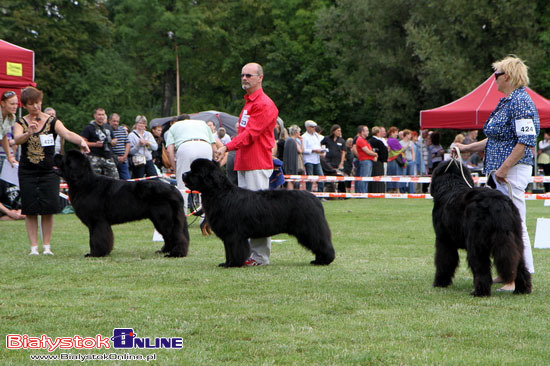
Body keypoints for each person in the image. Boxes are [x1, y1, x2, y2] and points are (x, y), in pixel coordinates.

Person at [454, 55, 539, 291]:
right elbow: (493, 140)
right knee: (501, 225)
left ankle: (517, 276)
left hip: (509, 173)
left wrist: (505, 167)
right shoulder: (507, 102)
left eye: (497, 75)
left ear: (509, 77)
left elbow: (525, 140)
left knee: (511, 225)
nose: (494, 79)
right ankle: (507, 273)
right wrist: (466, 148)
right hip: (498, 173)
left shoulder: (521, 102)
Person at [215, 62, 279, 266]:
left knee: (257, 212)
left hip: (257, 162)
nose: (244, 78)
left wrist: (227, 146)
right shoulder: (249, 103)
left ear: (260, 78)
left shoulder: (264, 104)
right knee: (244, 213)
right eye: (242, 75)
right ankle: (246, 254)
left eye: (249, 75)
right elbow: (245, 130)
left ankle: (260, 257)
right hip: (244, 161)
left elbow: (251, 134)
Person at [13, 86, 89, 255]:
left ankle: (47, 247)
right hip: (27, 171)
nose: (36, 107)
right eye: (31, 104)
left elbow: (67, 134)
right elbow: (17, 140)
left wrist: (81, 142)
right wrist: (28, 133)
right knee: (30, 210)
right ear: (25, 105)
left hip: (49, 171)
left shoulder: (52, 121)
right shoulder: (20, 122)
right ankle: (34, 247)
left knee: (48, 208)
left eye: (38, 102)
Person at [165, 115, 216, 212]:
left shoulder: (174, 126)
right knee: (206, 183)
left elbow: (170, 150)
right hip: (205, 146)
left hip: (185, 147)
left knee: (182, 185)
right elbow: (213, 146)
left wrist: (175, 169)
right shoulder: (202, 123)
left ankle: (182, 216)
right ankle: (206, 218)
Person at [81, 108, 119, 179]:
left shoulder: (108, 127)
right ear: (95, 115)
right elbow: (82, 142)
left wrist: (113, 142)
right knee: (94, 179)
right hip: (94, 156)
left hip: (108, 156)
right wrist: (95, 144)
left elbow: (113, 140)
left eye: (102, 115)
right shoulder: (88, 128)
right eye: (99, 114)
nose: (101, 116)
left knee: (115, 179)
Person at [321, 124, 346, 193]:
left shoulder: (342, 140)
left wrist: (342, 162)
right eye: (338, 130)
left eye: (340, 131)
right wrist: (322, 153)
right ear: (333, 131)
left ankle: (342, 193)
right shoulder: (327, 138)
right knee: (329, 176)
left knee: (340, 176)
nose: (339, 132)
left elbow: (344, 152)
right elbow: (320, 145)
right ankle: (329, 192)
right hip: (328, 162)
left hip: (337, 162)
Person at [302, 120, 325, 192]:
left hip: (317, 160)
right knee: (310, 179)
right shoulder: (304, 137)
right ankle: (308, 194)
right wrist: (313, 150)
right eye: (312, 127)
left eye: (315, 127)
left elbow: (320, 144)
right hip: (309, 160)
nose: (314, 129)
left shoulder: (316, 136)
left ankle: (321, 195)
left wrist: (322, 150)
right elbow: (303, 150)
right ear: (307, 127)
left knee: (321, 178)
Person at [355, 125, 378, 193]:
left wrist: (374, 155)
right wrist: (376, 154)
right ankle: (362, 193)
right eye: (367, 130)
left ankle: (364, 193)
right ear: (362, 132)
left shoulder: (364, 140)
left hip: (368, 161)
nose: (368, 132)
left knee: (366, 178)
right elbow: (367, 151)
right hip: (365, 161)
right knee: (364, 178)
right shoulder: (360, 140)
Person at [109, 113, 131, 180]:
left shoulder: (122, 130)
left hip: (123, 160)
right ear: (109, 121)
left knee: (127, 180)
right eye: (114, 121)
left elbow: (127, 143)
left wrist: (125, 156)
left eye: (117, 121)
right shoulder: (106, 130)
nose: (116, 123)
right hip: (112, 159)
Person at [0, 90, 18, 170]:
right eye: (12, 104)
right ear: (3, 104)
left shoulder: (11, 117)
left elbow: (3, 136)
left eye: (16, 104)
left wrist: (9, 156)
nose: (15, 106)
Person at [368, 126, 388, 193]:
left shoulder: (369, 141)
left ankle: (372, 191)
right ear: (377, 133)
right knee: (379, 176)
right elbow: (384, 152)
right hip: (379, 162)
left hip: (371, 161)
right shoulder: (379, 142)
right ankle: (378, 191)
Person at [283, 125, 302, 190]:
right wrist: (291, 168)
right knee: (290, 181)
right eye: (299, 132)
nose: (300, 133)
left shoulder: (290, 140)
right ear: (295, 132)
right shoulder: (291, 141)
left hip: (290, 165)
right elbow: (291, 156)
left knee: (291, 181)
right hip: (290, 166)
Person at [386, 126, 404, 193]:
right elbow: (401, 148)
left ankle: (391, 189)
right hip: (395, 160)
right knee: (396, 174)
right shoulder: (393, 140)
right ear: (392, 133)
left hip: (390, 160)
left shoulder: (388, 140)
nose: (397, 134)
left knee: (390, 174)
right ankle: (396, 189)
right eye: (396, 132)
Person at [399, 129, 416, 193]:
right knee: (404, 175)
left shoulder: (411, 142)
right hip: (404, 161)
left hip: (410, 160)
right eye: (410, 134)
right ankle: (402, 191)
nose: (411, 136)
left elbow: (413, 151)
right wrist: (406, 147)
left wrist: (413, 159)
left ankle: (411, 191)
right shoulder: (400, 142)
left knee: (411, 176)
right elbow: (400, 151)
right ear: (406, 135)